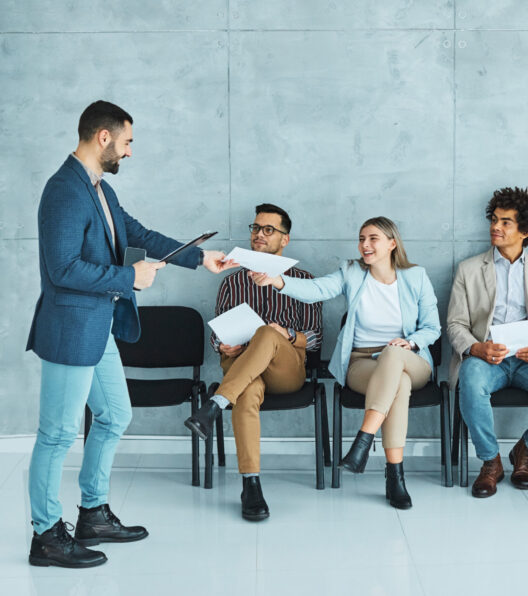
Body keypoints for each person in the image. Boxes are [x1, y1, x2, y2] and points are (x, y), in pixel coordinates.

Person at [26, 101, 235, 568]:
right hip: (69, 330)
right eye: (127, 142)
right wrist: (128, 278)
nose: (130, 152)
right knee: (57, 435)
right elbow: (62, 269)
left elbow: (136, 232)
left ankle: (93, 513)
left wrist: (200, 258)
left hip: (97, 329)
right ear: (103, 138)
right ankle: (45, 535)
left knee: (115, 415)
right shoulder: (64, 190)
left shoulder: (98, 188)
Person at [251, 216, 440, 509]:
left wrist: (411, 342)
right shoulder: (351, 271)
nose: (364, 245)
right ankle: (395, 477)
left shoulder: (416, 277)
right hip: (362, 362)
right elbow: (317, 290)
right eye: (361, 238)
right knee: (397, 384)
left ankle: (363, 439)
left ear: (392, 243)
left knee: (393, 356)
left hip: (411, 359)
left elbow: (433, 328)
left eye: (373, 238)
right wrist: (277, 281)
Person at [185, 203, 322, 521]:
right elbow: (216, 337)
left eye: (269, 229)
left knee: (267, 333)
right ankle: (251, 485)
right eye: (256, 228)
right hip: (242, 368)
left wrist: (284, 334)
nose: (259, 234)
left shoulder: (303, 280)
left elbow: (315, 338)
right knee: (245, 393)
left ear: (285, 240)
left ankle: (214, 405)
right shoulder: (232, 283)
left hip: (287, 370)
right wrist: (224, 345)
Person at [447, 187, 528, 498]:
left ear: (525, 231)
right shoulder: (468, 269)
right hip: (486, 357)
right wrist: (477, 348)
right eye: (494, 220)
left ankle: (525, 450)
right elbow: (455, 324)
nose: (496, 227)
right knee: (470, 381)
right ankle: (491, 462)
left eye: (506, 222)